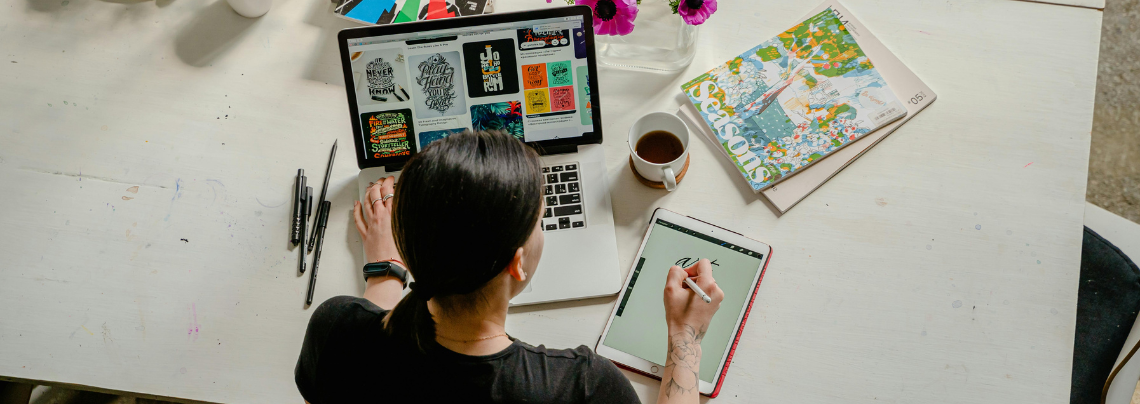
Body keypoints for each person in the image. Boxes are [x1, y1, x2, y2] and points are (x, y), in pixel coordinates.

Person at [295, 130, 724, 403]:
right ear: (517, 263)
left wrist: (386, 267)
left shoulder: (336, 332)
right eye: (540, 220)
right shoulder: (581, 388)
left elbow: (375, 334)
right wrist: (685, 337)